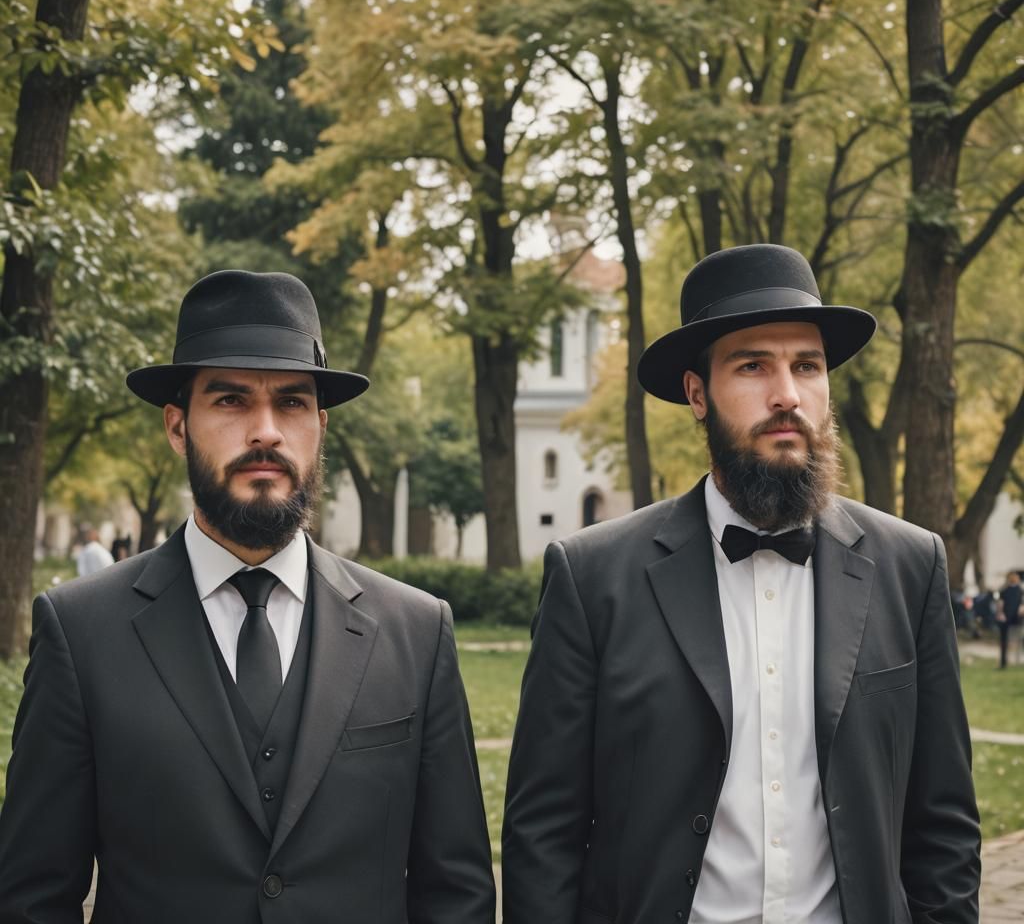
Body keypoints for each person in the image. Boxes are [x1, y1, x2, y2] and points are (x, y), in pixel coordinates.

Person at [503, 246, 980, 924]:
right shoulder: (593, 578)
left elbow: (944, 829)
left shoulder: (911, 566)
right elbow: (542, 835)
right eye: (753, 365)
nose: (787, 393)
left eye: (806, 366)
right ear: (698, 394)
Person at [0, 270, 495, 923]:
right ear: (178, 426)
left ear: (320, 426)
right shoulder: (81, 630)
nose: (266, 431)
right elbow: (32, 896)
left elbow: (457, 893)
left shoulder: (416, 631)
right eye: (231, 400)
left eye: (291, 403)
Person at [995, 569, 1022, 669]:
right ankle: (1003, 663)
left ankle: (1018, 660)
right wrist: (1000, 614)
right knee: (1003, 641)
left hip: (1017, 618)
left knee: (1019, 639)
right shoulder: (1004, 590)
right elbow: (1000, 603)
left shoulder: (1020, 590)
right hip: (1005, 617)